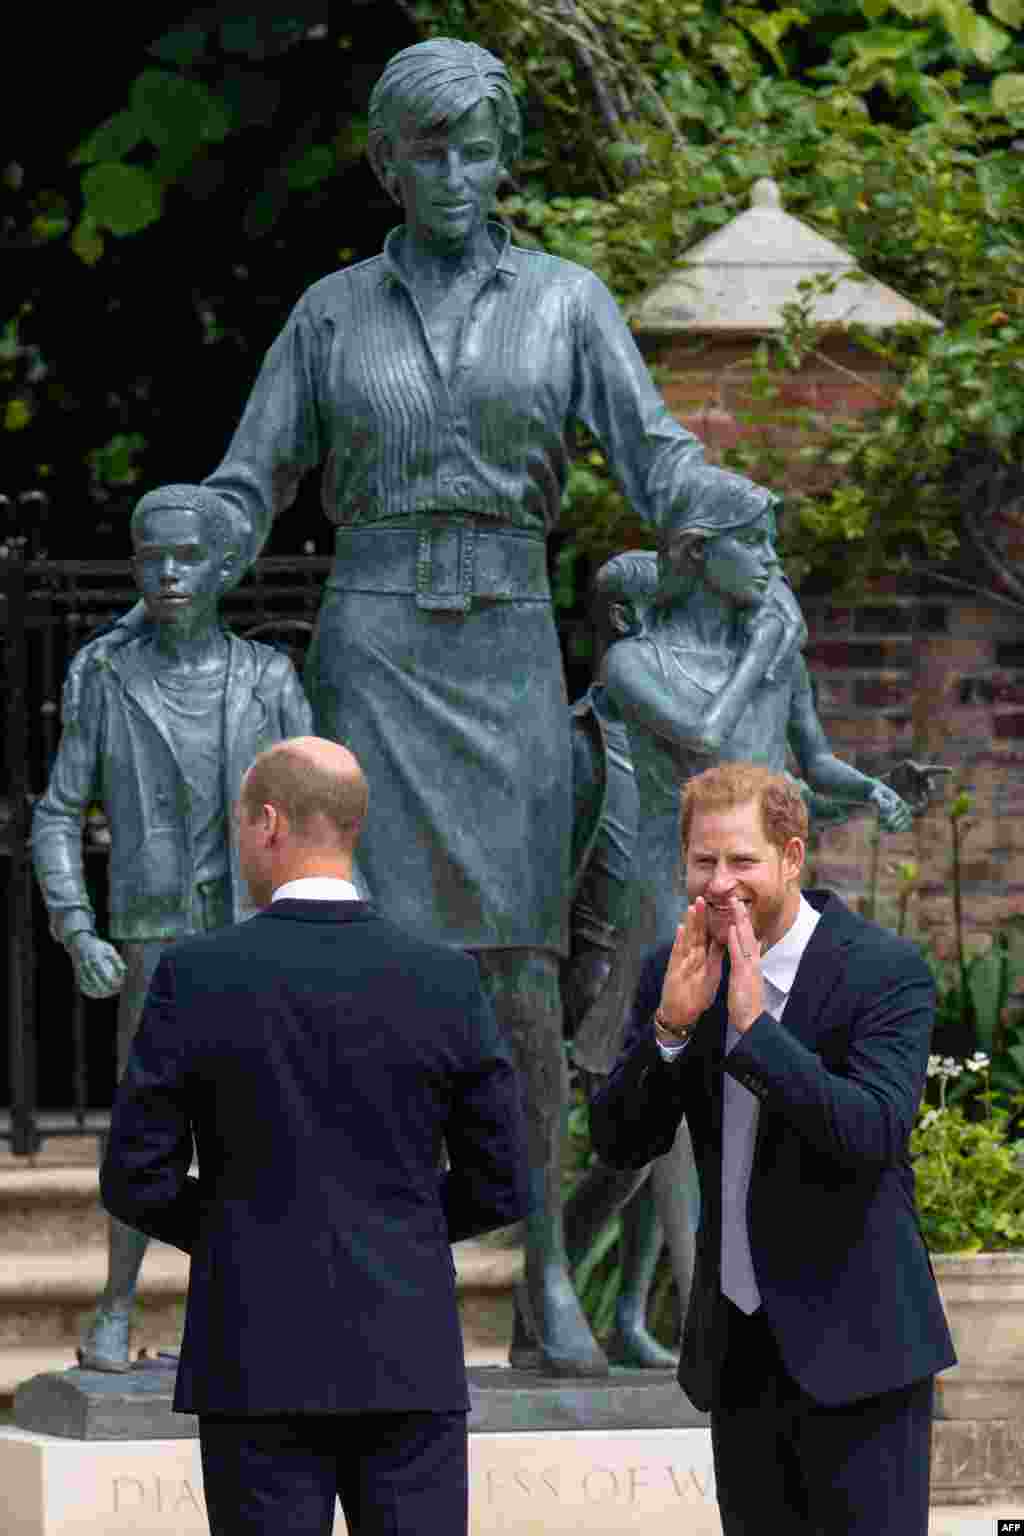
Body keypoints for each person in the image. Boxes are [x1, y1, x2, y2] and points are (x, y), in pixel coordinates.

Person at [66, 37, 793, 1375]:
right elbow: (249, 480)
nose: (454, 173)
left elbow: (657, 457)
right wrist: (192, 562)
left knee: (519, 969)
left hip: (509, 648)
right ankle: (361, 1258)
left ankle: (545, 1281)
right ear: (389, 163)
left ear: (506, 156)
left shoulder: (569, 304)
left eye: (475, 147)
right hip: (375, 646)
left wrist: (736, 518)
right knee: (351, 960)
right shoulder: (333, 314)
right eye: (427, 149)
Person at [99, 736, 529, 1536]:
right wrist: (401, 1228)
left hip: (255, 1354)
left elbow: (135, 1177)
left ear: (269, 823)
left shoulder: (197, 975)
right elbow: (502, 1180)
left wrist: (241, 1235)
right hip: (406, 1353)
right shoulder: (445, 979)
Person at [590, 762, 956, 1536]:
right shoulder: (678, 968)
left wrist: (759, 1035)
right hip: (741, 1355)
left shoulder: (884, 972)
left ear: (793, 857)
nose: (720, 882)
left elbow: (872, 1133)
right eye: (703, 861)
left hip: (861, 1352)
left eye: (742, 860)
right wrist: (670, 1030)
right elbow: (622, 1140)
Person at [32, 483, 313, 1372]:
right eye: (151, 557)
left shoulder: (269, 679)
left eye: (187, 556)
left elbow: (321, 816)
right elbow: (56, 811)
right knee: (146, 1128)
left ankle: (254, 1312)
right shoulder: (107, 678)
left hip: (258, 936)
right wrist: (77, 927)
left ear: (226, 567)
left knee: (267, 1127)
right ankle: (117, 1303)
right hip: (156, 941)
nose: (168, 573)